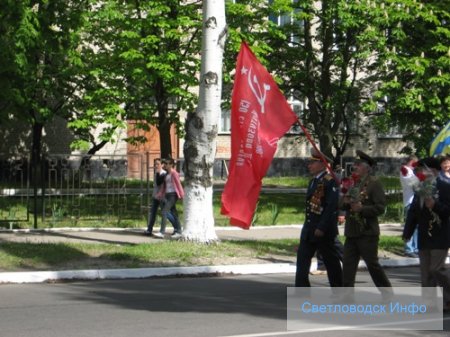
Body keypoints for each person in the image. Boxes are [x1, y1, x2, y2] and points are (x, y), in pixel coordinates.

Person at [402, 156, 450, 311]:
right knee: (425, 272)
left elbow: (447, 211)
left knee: (437, 269)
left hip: (440, 234)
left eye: (423, 169)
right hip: (424, 235)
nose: (419, 172)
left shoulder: (445, 186)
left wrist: (435, 205)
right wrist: (408, 232)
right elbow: (414, 212)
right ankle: (429, 303)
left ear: (433, 171)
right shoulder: (420, 189)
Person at [340, 150, 392, 293]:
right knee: (348, 264)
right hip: (352, 230)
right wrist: (344, 201)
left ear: (366, 167)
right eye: (355, 165)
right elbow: (342, 204)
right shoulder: (351, 183)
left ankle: (387, 292)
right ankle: (347, 296)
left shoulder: (374, 184)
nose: (355, 167)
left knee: (372, 265)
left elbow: (380, 207)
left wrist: (362, 209)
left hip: (367, 231)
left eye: (358, 165)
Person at [295, 148, 343, 287]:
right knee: (302, 259)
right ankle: (302, 289)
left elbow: (331, 207)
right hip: (310, 229)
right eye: (309, 162)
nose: (309, 165)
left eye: (312, 163)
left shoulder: (330, 181)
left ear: (323, 164)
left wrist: (321, 227)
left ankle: (338, 288)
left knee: (331, 261)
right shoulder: (313, 181)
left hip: (323, 231)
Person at [143, 158, 176, 239]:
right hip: (155, 196)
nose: (156, 166)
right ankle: (149, 230)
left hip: (162, 197)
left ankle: (176, 227)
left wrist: (158, 173)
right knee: (152, 213)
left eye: (158, 164)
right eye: (155, 164)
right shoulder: (156, 173)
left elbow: (159, 183)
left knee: (166, 213)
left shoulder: (164, 174)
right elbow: (156, 185)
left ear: (162, 165)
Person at [156, 158, 184, 239]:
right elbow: (164, 187)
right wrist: (160, 194)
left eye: (167, 164)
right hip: (167, 195)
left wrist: (182, 195)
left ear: (171, 165)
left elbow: (179, 185)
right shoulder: (166, 174)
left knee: (164, 211)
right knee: (174, 213)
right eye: (165, 164)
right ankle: (178, 230)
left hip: (173, 195)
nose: (165, 165)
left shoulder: (174, 173)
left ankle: (162, 232)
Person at [400, 155, 419, 257]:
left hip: (415, 201)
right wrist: (420, 179)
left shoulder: (411, 171)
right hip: (410, 201)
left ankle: (415, 248)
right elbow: (413, 184)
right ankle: (408, 249)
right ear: (411, 161)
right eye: (415, 162)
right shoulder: (405, 170)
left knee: (416, 226)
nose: (415, 165)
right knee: (410, 225)